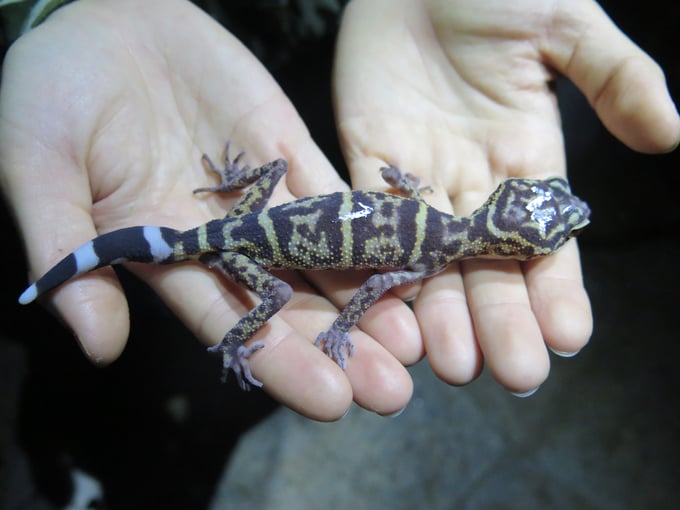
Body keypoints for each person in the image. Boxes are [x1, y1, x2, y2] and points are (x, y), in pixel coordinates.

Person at [0, 0, 677, 421]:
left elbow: (403, 207)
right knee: (270, 302)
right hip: (239, 246)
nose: (568, 215)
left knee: (274, 172)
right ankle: (233, 339)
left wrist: (400, 179)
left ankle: (229, 190)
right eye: (557, 222)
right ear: (515, 244)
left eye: (555, 217)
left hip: (252, 215)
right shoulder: (433, 245)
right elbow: (379, 286)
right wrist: (342, 324)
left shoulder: (431, 216)